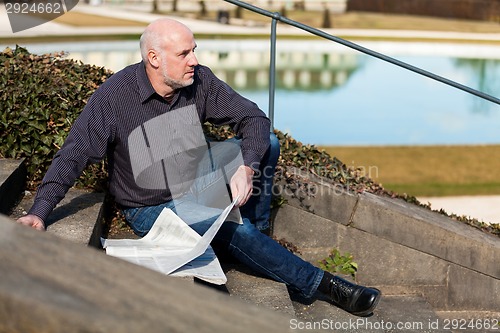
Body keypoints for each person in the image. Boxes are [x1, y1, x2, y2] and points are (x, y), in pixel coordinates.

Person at [17, 18, 380, 316]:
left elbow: (253, 118)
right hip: (151, 204)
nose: (194, 59)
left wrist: (247, 167)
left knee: (265, 144)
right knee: (235, 230)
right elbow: (73, 155)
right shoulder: (114, 98)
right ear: (154, 58)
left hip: (197, 178)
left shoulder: (199, 81)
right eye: (184, 53)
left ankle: (256, 228)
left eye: (194, 51)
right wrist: (40, 211)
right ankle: (322, 286)